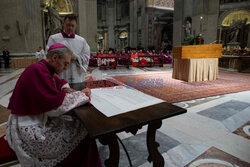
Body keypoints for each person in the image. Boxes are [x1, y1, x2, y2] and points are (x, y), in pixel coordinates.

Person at [6, 43, 101, 167]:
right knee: (84, 129)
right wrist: (83, 95)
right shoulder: (38, 71)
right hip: (31, 131)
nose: (66, 68)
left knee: (76, 123)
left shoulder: (42, 68)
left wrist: (64, 87)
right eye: (65, 63)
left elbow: (56, 81)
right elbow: (55, 107)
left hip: (34, 120)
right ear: (55, 58)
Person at [46, 14, 90, 84]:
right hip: (60, 75)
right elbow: (49, 56)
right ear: (63, 24)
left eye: (72, 26)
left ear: (76, 26)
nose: (70, 28)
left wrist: (76, 57)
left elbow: (86, 57)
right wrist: (62, 58)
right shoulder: (54, 39)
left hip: (76, 76)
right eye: (68, 25)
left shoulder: (82, 41)